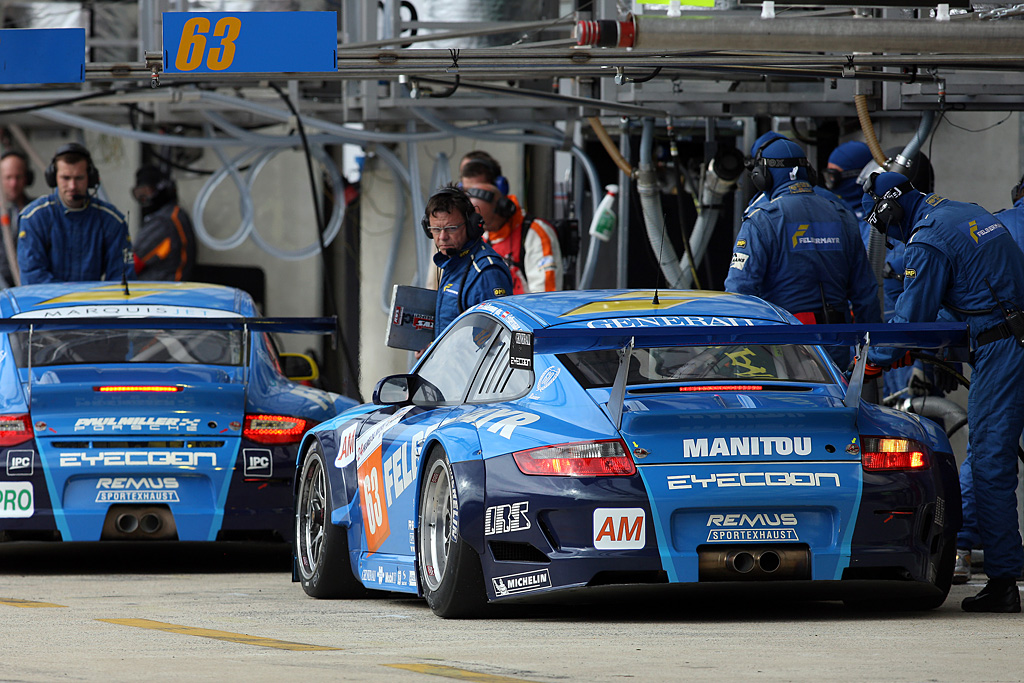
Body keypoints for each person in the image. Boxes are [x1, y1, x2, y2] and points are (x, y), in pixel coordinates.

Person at [862, 171, 1024, 613]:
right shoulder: (965, 211)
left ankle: (1005, 581)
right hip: (1009, 336)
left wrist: (870, 359)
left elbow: (909, 326)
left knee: (990, 465)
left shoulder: (926, 241)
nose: (888, 236)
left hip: (1005, 349)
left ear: (890, 213)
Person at [725, 137, 881, 368]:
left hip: (782, 347)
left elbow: (739, 292)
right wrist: (873, 354)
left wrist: (740, 350)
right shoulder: (842, 215)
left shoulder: (762, 220)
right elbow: (865, 293)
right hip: (836, 346)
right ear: (808, 172)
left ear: (762, 176)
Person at [17, 142, 131, 285]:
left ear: (90, 178)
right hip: (45, 306)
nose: (72, 186)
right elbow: (32, 278)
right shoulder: (33, 218)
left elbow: (123, 279)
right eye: (66, 178)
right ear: (53, 178)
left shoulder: (113, 221)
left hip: (94, 304)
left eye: (79, 178)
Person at [424, 185, 512, 341]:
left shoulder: (487, 273)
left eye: (451, 228)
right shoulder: (453, 263)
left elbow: (492, 345)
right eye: (436, 229)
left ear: (471, 226)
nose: (442, 237)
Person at [461, 175, 563, 294]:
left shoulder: (536, 233)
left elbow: (545, 296)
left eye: (488, 224)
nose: (484, 229)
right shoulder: (482, 235)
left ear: (504, 210)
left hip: (524, 310)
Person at [131, 165, 196, 281]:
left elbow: (131, 264)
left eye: (148, 191)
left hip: (159, 292)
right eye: (139, 194)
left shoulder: (163, 222)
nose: (144, 199)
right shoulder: (174, 214)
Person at [823, 141, 875, 252]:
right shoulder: (833, 211)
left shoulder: (876, 222)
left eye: (833, 177)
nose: (829, 183)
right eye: (828, 176)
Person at [0, 150, 34, 287]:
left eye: (18, 177)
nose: (13, 184)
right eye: (8, 178)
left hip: (29, 288)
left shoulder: (38, 212)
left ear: (27, 178)